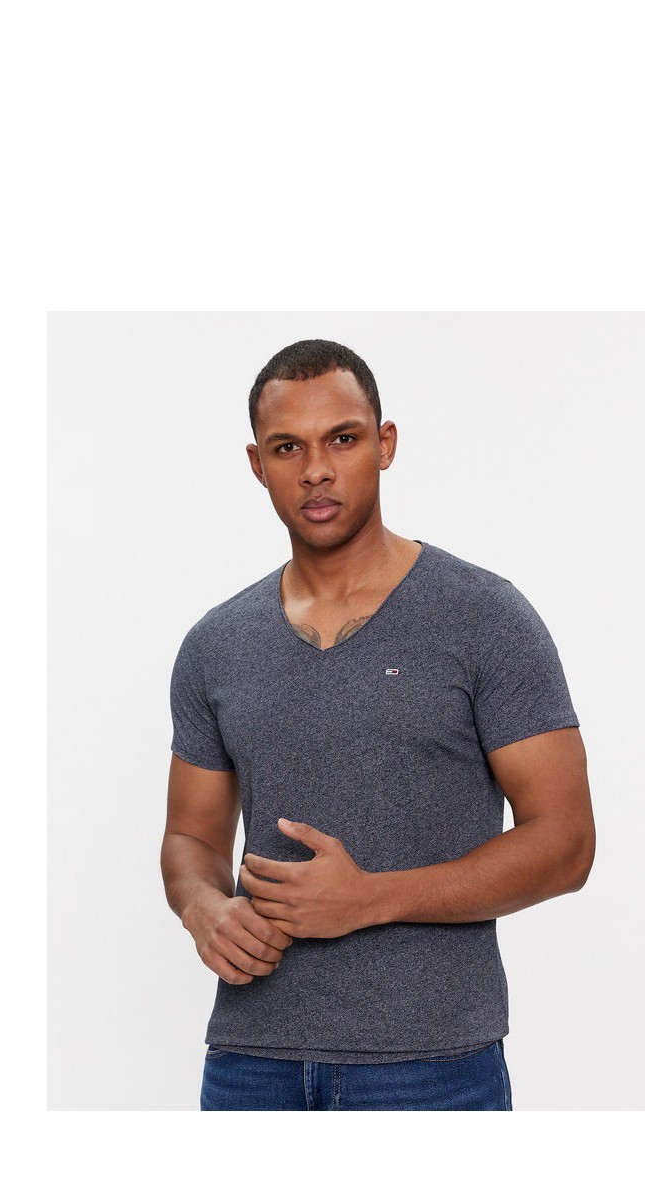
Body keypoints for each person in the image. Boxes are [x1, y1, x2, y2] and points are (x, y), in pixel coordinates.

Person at [161, 338, 595, 1111]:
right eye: (288, 447)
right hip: (250, 1064)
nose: (316, 470)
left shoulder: (484, 618)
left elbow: (566, 843)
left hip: (431, 1067)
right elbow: (190, 836)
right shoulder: (215, 644)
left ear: (384, 444)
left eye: (342, 439)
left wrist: (371, 899)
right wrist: (205, 907)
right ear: (258, 464)